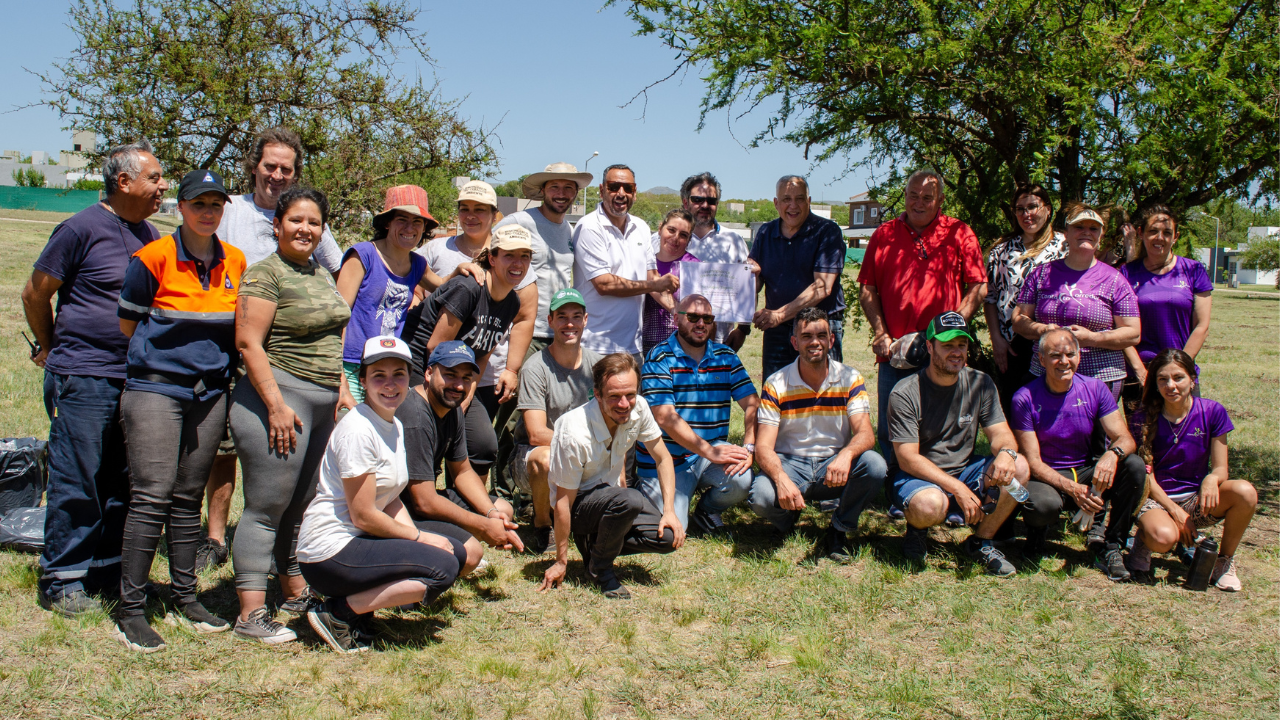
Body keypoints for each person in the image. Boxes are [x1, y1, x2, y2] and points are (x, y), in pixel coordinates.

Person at [23, 140, 167, 616]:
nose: (162, 186)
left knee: (119, 478)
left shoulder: (148, 234)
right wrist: (51, 348)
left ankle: (104, 569)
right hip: (84, 375)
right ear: (123, 182)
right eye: (154, 178)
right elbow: (35, 293)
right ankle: (62, 577)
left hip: (135, 378)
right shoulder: (81, 227)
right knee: (77, 475)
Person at [200, 127, 345, 572]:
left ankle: (288, 571)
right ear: (254, 167)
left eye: (287, 168)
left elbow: (337, 269)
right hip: (230, 346)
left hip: (289, 358)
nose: (278, 175)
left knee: (286, 483)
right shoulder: (230, 214)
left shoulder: (310, 238)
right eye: (270, 167)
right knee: (224, 452)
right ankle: (214, 536)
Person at [113, 170, 246, 651]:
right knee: (152, 494)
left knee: (189, 496)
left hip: (209, 393)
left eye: (216, 204)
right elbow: (129, 325)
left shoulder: (236, 260)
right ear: (181, 207)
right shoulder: (152, 258)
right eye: (198, 203)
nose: (207, 211)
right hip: (156, 389)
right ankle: (130, 610)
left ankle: (185, 595)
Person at [229, 187, 352, 644]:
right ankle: (250, 613)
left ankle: (294, 589)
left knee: (300, 507)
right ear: (277, 225)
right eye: (296, 220)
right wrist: (276, 405)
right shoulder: (265, 275)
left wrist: (342, 393)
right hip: (278, 400)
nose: (306, 229)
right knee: (265, 507)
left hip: (321, 403)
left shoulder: (320, 273)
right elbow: (248, 343)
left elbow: (331, 341)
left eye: (314, 223)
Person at [297, 337, 468, 654]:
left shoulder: (393, 423)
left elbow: (389, 497)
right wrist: (419, 538)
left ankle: (358, 611)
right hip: (329, 550)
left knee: (455, 553)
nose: (390, 385)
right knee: (442, 567)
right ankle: (338, 613)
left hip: (360, 538)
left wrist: (417, 539)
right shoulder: (359, 429)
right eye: (379, 375)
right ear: (362, 380)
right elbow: (363, 514)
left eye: (399, 374)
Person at [857, 168, 988, 474]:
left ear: (940, 199)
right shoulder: (883, 234)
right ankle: (895, 484)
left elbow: (978, 286)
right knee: (894, 422)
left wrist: (953, 329)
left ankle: (945, 479)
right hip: (895, 352)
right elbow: (867, 288)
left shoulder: (960, 232)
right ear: (904, 196)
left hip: (942, 351)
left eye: (927, 197)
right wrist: (880, 333)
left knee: (944, 422)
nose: (918, 202)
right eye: (912, 195)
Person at [886, 312, 1030, 577]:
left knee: (1019, 468)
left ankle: (981, 541)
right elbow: (907, 458)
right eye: (948, 345)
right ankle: (917, 531)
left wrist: (1007, 455)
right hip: (916, 477)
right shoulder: (906, 392)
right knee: (929, 505)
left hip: (966, 470)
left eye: (961, 345)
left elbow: (1001, 434)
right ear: (930, 347)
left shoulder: (980, 382)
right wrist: (959, 489)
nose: (956, 352)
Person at [539, 354, 685, 599]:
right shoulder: (573, 430)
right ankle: (600, 570)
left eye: (630, 394)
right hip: (578, 505)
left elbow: (663, 458)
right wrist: (561, 561)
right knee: (630, 499)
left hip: (611, 497)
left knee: (668, 538)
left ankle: (597, 547)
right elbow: (563, 501)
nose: (624, 404)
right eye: (614, 396)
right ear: (597, 394)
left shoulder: (639, 408)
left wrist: (669, 511)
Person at [748, 308, 888, 561]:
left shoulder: (850, 378)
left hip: (833, 467)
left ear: (831, 340)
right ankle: (787, 516)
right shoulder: (776, 384)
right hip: (791, 463)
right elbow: (764, 448)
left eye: (821, 335)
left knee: (875, 465)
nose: (815, 342)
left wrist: (846, 454)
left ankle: (839, 529)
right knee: (760, 497)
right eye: (806, 336)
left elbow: (866, 434)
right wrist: (781, 480)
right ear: (794, 342)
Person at [400, 224, 533, 487]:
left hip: (459, 377)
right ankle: (418, 502)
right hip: (421, 368)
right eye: (509, 255)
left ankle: (465, 507)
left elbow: (483, 353)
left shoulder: (512, 302)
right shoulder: (469, 288)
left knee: (484, 444)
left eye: (525, 256)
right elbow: (435, 346)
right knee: (431, 434)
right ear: (492, 258)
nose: (518, 263)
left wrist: (469, 391)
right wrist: (450, 399)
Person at [1009, 329, 1146, 582]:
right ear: (1041, 360)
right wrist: (1072, 489)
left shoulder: (1095, 388)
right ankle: (1037, 530)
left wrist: (1111, 455)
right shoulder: (1024, 397)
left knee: (1135, 466)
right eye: (1054, 355)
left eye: (1070, 354)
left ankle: (1112, 544)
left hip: (1085, 471)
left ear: (1079, 356)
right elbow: (1032, 462)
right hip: (1045, 476)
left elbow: (1125, 439)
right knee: (1042, 506)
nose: (1064, 361)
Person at [1127, 350, 1257, 590]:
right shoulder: (1142, 416)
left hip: (1196, 500)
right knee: (1163, 538)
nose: (1171, 386)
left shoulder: (1212, 412)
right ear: (1155, 384)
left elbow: (1220, 469)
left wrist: (1210, 479)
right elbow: (1147, 478)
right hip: (1156, 499)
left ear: (1192, 379)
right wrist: (1176, 512)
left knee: (1244, 492)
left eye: (1178, 378)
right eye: (1163, 379)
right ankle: (1143, 543)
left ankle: (1224, 561)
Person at [416, 181, 538, 427]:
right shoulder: (436, 250)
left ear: (495, 215)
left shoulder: (514, 263)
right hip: (436, 365)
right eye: (465, 208)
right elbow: (418, 293)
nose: (471, 216)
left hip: (483, 367)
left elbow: (524, 317)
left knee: (477, 442)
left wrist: (511, 369)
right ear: (492, 259)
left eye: (480, 209)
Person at [639, 294, 758, 535]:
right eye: (692, 317)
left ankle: (706, 510)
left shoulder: (726, 357)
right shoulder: (658, 357)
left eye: (707, 318)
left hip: (707, 457)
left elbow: (753, 404)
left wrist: (749, 447)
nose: (701, 323)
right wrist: (709, 450)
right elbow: (664, 417)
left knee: (742, 479)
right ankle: (642, 492)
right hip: (666, 461)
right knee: (671, 532)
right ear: (676, 319)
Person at [396, 340, 524, 560]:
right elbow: (423, 503)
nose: (458, 386)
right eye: (450, 375)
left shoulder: (450, 406)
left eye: (466, 378)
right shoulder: (415, 416)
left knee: (503, 509)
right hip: (398, 511)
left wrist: (491, 515)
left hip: (422, 503)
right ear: (428, 373)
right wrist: (483, 526)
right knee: (471, 554)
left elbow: (463, 471)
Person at [1012, 203, 1141, 401]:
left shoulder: (1115, 279)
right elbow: (1019, 319)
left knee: (1098, 433)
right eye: (1079, 227)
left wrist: (1091, 338)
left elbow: (1133, 333)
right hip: (1047, 375)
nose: (1086, 233)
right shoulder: (1041, 274)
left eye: (1093, 228)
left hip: (1100, 377)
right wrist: (1042, 330)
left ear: (1101, 235)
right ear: (1066, 233)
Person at [508, 289, 601, 553]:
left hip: (584, 452)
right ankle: (542, 524)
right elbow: (536, 434)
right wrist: (585, 446)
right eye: (562, 317)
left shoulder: (598, 366)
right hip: (534, 456)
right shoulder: (535, 368)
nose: (569, 324)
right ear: (550, 321)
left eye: (575, 316)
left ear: (586, 320)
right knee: (545, 459)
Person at [335, 184, 434, 406]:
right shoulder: (363, 255)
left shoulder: (417, 263)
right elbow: (337, 317)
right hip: (352, 365)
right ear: (387, 222)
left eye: (417, 221)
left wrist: (463, 269)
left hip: (388, 368)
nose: (410, 228)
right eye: (402, 219)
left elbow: (443, 286)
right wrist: (339, 378)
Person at [573, 164, 678, 360]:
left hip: (633, 347)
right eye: (614, 187)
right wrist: (654, 284)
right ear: (602, 190)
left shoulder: (641, 227)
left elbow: (652, 277)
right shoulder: (589, 227)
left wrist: (677, 310)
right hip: (595, 346)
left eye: (627, 188)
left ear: (635, 192)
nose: (621, 193)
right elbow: (604, 284)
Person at [748, 175, 848, 381]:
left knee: (823, 395)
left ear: (809, 201)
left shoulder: (827, 232)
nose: (793, 205)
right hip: (777, 332)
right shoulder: (766, 232)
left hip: (818, 328)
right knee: (777, 393)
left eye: (800, 199)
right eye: (786, 199)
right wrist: (748, 277)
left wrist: (778, 314)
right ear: (776, 203)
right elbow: (756, 282)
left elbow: (822, 287)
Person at [983, 184, 1068, 414]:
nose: (1026, 214)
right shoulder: (1000, 251)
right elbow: (990, 298)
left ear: (1048, 209)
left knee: (1055, 409)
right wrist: (996, 340)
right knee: (1017, 409)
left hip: (1056, 342)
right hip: (1012, 346)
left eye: (1032, 207)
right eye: (1020, 209)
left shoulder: (1065, 246)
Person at [494, 162, 594, 350]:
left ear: (576, 193)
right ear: (543, 190)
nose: (561, 194)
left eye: (568, 188)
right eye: (554, 187)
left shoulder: (568, 230)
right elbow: (487, 260)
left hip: (558, 331)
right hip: (522, 330)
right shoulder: (519, 222)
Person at [1120, 205, 1213, 408]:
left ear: (1176, 236)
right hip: (1138, 372)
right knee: (1142, 437)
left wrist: (1179, 367)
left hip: (1181, 372)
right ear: (1141, 233)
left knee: (1184, 436)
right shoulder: (1126, 273)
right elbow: (1120, 327)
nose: (1159, 238)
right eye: (1153, 231)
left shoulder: (1193, 270)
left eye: (1167, 232)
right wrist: (1139, 371)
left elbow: (1202, 326)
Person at [678, 172, 751, 349]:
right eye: (698, 199)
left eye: (711, 201)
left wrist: (743, 329)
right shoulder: (668, 239)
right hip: (676, 342)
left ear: (717, 204)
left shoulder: (734, 240)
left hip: (720, 342)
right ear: (685, 202)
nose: (705, 205)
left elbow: (746, 287)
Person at [641, 209, 699, 355]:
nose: (675, 238)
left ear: (689, 240)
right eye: (671, 230)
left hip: (682, 345)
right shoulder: (645, 263)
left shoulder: (694, 266)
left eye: (683, 235)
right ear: (660, 229)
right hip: (646, 344)